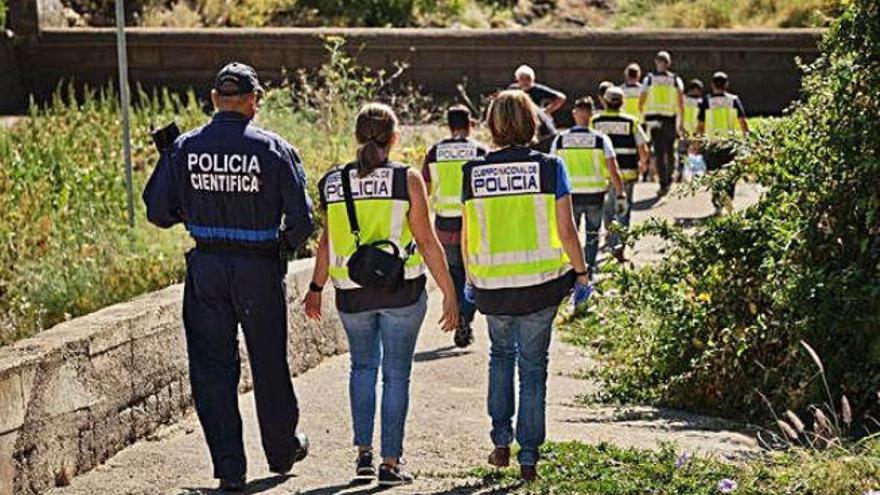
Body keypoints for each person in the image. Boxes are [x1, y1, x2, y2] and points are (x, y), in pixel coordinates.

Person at [143, 62, 313, 492]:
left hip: (207, 270)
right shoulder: (274, 149)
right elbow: (302, 219)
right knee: (269, 363)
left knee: (212, 370)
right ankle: (281, 451)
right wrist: (281, 248)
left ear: (215, 100)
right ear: (254, 102)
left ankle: (230, 469)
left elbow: (158, 212)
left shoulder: (182, 148)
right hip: (257, 267)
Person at [304, 103, 459, 487]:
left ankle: (362, 458)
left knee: (361, 368)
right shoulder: (407, 180)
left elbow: (327, 241)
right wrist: (450, 293)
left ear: (357, 136)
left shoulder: (333, 182)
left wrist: (315, 287)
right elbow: (425, 240)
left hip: (352, 294)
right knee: (395, 376)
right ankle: (390, 464)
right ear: (394, 138)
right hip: (401, 292)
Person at [460, 90, 591, 482]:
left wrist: (469, 279)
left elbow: (469, 234)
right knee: (533, 368)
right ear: (532, 123)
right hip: (541, 286)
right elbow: (567, 231)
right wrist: (582, 274)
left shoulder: (473, 172)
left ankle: (501, 442)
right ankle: (529, 456)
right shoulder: (551, 167)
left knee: (500, 357)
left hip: (492, 286)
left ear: (493, 126)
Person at [422, 105, 488, 348]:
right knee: (471, 274)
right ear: (470, 124)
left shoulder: (434, 152)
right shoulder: (480, 150)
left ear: (449, 126)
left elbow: (425, 190)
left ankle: (460, 315)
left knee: (454, 273)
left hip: (444, 224)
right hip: (472, 224)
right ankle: (465, 318)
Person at [550, 97, 626, 280]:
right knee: (592, 235)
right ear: (592, 115)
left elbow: (551, 168)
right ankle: (588, 272)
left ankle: (572, 272)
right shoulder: (600, 139)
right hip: (594, 196)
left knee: (568, 236)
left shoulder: (560, 140)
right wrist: (621, 193)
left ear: (574, 113)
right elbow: (613, 169)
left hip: (568, 197)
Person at [592, 86, 650, 262]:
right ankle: (620, 245)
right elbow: (643, 147)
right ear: (622, 102)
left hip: (603, 173)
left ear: (605, 101)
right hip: (627, 173)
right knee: (623, 209)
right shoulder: (631, 121)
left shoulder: (595, 121)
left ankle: (610, 238)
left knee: (607, 208)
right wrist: (644, 163)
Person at [696, 72, 749, 213]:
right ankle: (728, 200)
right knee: (730, 174)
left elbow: (700, 125)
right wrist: (747, 139)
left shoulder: (706, 101)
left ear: (712, 85)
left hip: (712, 144)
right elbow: (743, 122)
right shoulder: (733, 100)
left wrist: (696, 143)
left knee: (715, 175)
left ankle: (717, 205)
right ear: (726, 85)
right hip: (729, 145)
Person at [639, 50, 685, 196]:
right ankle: (670, 177)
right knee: (670, 150)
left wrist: (644, 116)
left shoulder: (649, 80)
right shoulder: (675, 80)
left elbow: (641, 101)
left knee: (659, 153)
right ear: (669, 63)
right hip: (670, 119)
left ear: (656, 62)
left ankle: (663, 183)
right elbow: (680, 103)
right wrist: (681, 123)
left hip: (654, 120)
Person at [509, 64, 567, 149]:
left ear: (533, 79)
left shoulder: (538, 90)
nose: (525, 82)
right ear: (517, 79)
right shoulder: (512, 90)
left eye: (528, 79)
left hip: (538, 125)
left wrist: (546, 111)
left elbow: (561, 97)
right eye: (522, 79)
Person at [678, 79, 704, 181]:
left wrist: (680, 128)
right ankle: (695, 177)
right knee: (696, 156)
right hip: (695, 133)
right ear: (696, 89)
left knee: (682, 156)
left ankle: (680, 177)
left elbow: (679, 115)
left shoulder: (682, 100)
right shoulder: (700, 102)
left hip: (684, 132)